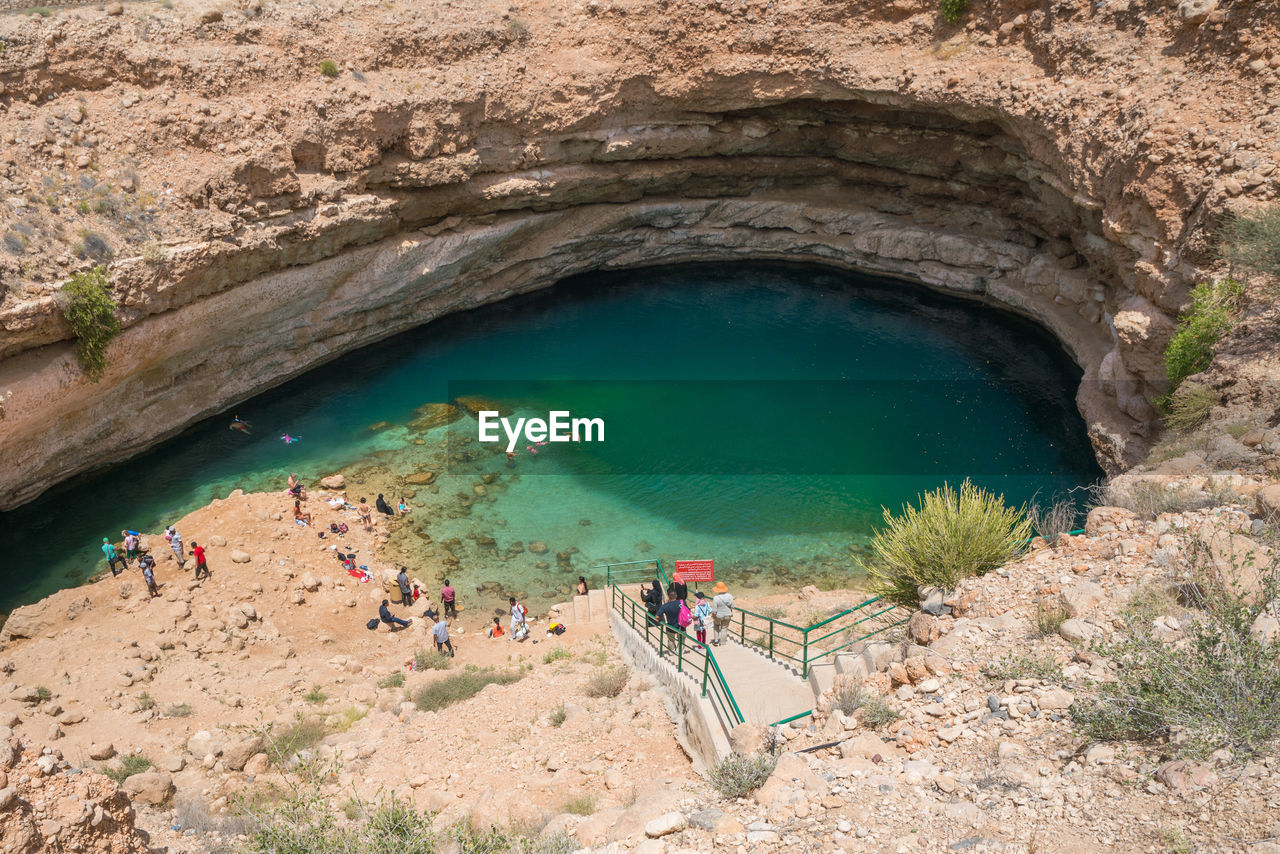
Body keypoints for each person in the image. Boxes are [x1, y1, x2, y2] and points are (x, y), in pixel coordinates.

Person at [711, 581, 734, 646]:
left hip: (719, 615)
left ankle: (716, 640)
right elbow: (732, 606)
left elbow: (714, 610)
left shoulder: (716, 598)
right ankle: (723, 642)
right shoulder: (730, 596)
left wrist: (713, 616)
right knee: (724, 628)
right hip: (728, 615)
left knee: (716, 625)